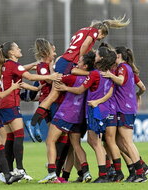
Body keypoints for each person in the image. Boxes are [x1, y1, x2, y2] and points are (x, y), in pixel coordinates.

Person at [31, 16, 130, 127]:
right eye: (102, 36)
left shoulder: (82, 30)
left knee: (55, 96)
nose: (99, 39)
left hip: (64, 60)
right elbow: (84, 45)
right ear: (101, 31)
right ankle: (34, 123)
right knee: (53, 96)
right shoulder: (94, 32)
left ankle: (38, 122)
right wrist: (80, 60)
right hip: (68, 62)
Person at [0, 42, 61, 181]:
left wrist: (35, 88)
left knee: (10, 139)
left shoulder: (5, 65)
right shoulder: (13, 65)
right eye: (17, 48)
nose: (20, 49)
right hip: (10, 105)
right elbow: (30, 76)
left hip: (2, 105)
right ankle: (20, 169)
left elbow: (23, 74)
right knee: (19, 136)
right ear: (11, 53)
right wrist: (49, 77)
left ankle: (8, 171)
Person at [55, 47, 117, 183]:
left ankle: (103, 174)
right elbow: (111, 91)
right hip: (105, 109)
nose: (95, 55)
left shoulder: (95, 74)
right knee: (94, 141)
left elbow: (80, 90)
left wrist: (65, 88)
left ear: (100, 58)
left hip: (95, 110)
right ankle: (108, 171)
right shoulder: (108, 73)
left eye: (97, 54)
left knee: (95, 142)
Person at [38, 51, 96, 183]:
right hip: (79, 117)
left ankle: (52, 173)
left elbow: (54, 78)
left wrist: (53, 67)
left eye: (80, 62)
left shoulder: (72, 78)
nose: (77, 63)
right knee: (76, 145)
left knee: (50, 141)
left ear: (85, 66)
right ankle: (86, 173)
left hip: (65, 114)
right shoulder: (91, 79)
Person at [100, 46, 148, 182]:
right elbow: (142, 87)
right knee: (121, 143)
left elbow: (120, 80)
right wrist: (137, 95)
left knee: (127, 142)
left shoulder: (122, 67)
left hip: (125, 109)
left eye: (115, 54)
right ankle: (136, 171)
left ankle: (140, 173)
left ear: (119, 55)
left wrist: (110, 75)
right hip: (124, 108)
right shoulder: (127, 68)